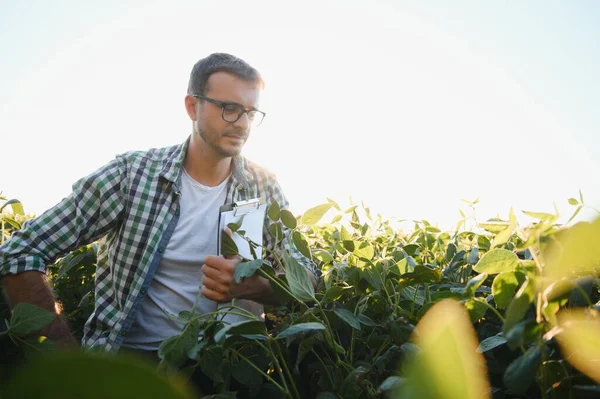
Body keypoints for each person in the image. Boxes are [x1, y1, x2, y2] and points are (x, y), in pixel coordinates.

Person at [0, 53, 318, 358]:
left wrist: (258, 286)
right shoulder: (133, 176)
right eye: (229, 108)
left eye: (250, 112)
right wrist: (68, 363)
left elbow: (308, 276)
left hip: (238, 364)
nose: (242, 123)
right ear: (192, 106)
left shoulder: (263, 186)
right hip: (138, 369)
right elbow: (21, 252)